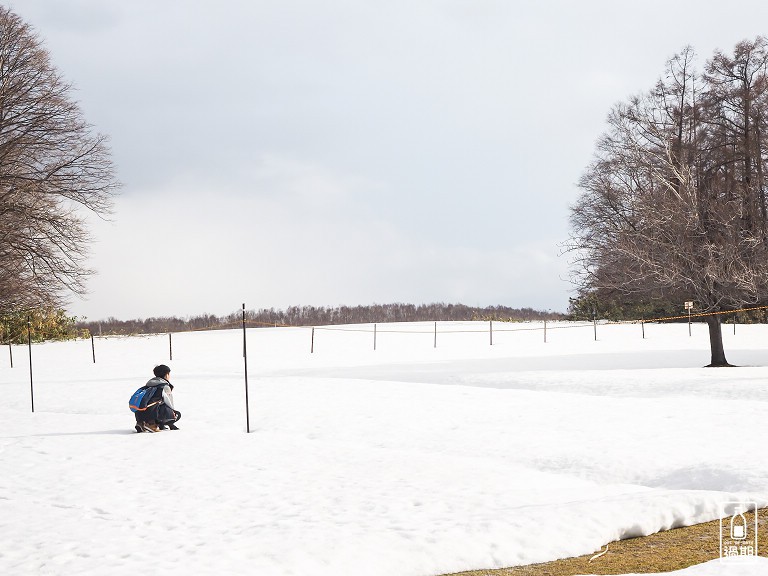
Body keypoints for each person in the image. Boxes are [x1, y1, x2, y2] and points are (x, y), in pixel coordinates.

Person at [134, 364, 181, 433]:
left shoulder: (149, 385)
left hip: (139, 414)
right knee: (177, 414)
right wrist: (171, 420)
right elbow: (169, 403)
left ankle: (141, 423)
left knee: (156, 404)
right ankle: (151, 424)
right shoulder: (164, 386)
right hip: (152, 414)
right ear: (166, 375)